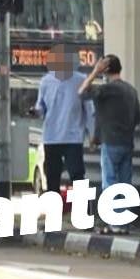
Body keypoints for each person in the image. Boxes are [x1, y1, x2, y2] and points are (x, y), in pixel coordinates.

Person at [79, 54, 140, 233]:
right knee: (125, 183)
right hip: (127, 142)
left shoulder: (106, 90)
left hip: (110, 142)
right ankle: (123, 223)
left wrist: (94, 72)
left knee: (110, 182)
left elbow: (81, 93)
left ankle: (114, 222)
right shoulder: (131, 91)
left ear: (105, 70)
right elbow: (137, 118)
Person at [34, 44, 95, 194]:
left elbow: (89, 109)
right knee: (52, 177)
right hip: (51, 136)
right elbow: (41, 106)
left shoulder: (81, 80)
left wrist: (93, 134)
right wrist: (36, 111)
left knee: (77, 175)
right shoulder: (46, 81)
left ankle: (81, 214)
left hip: (73, 136)